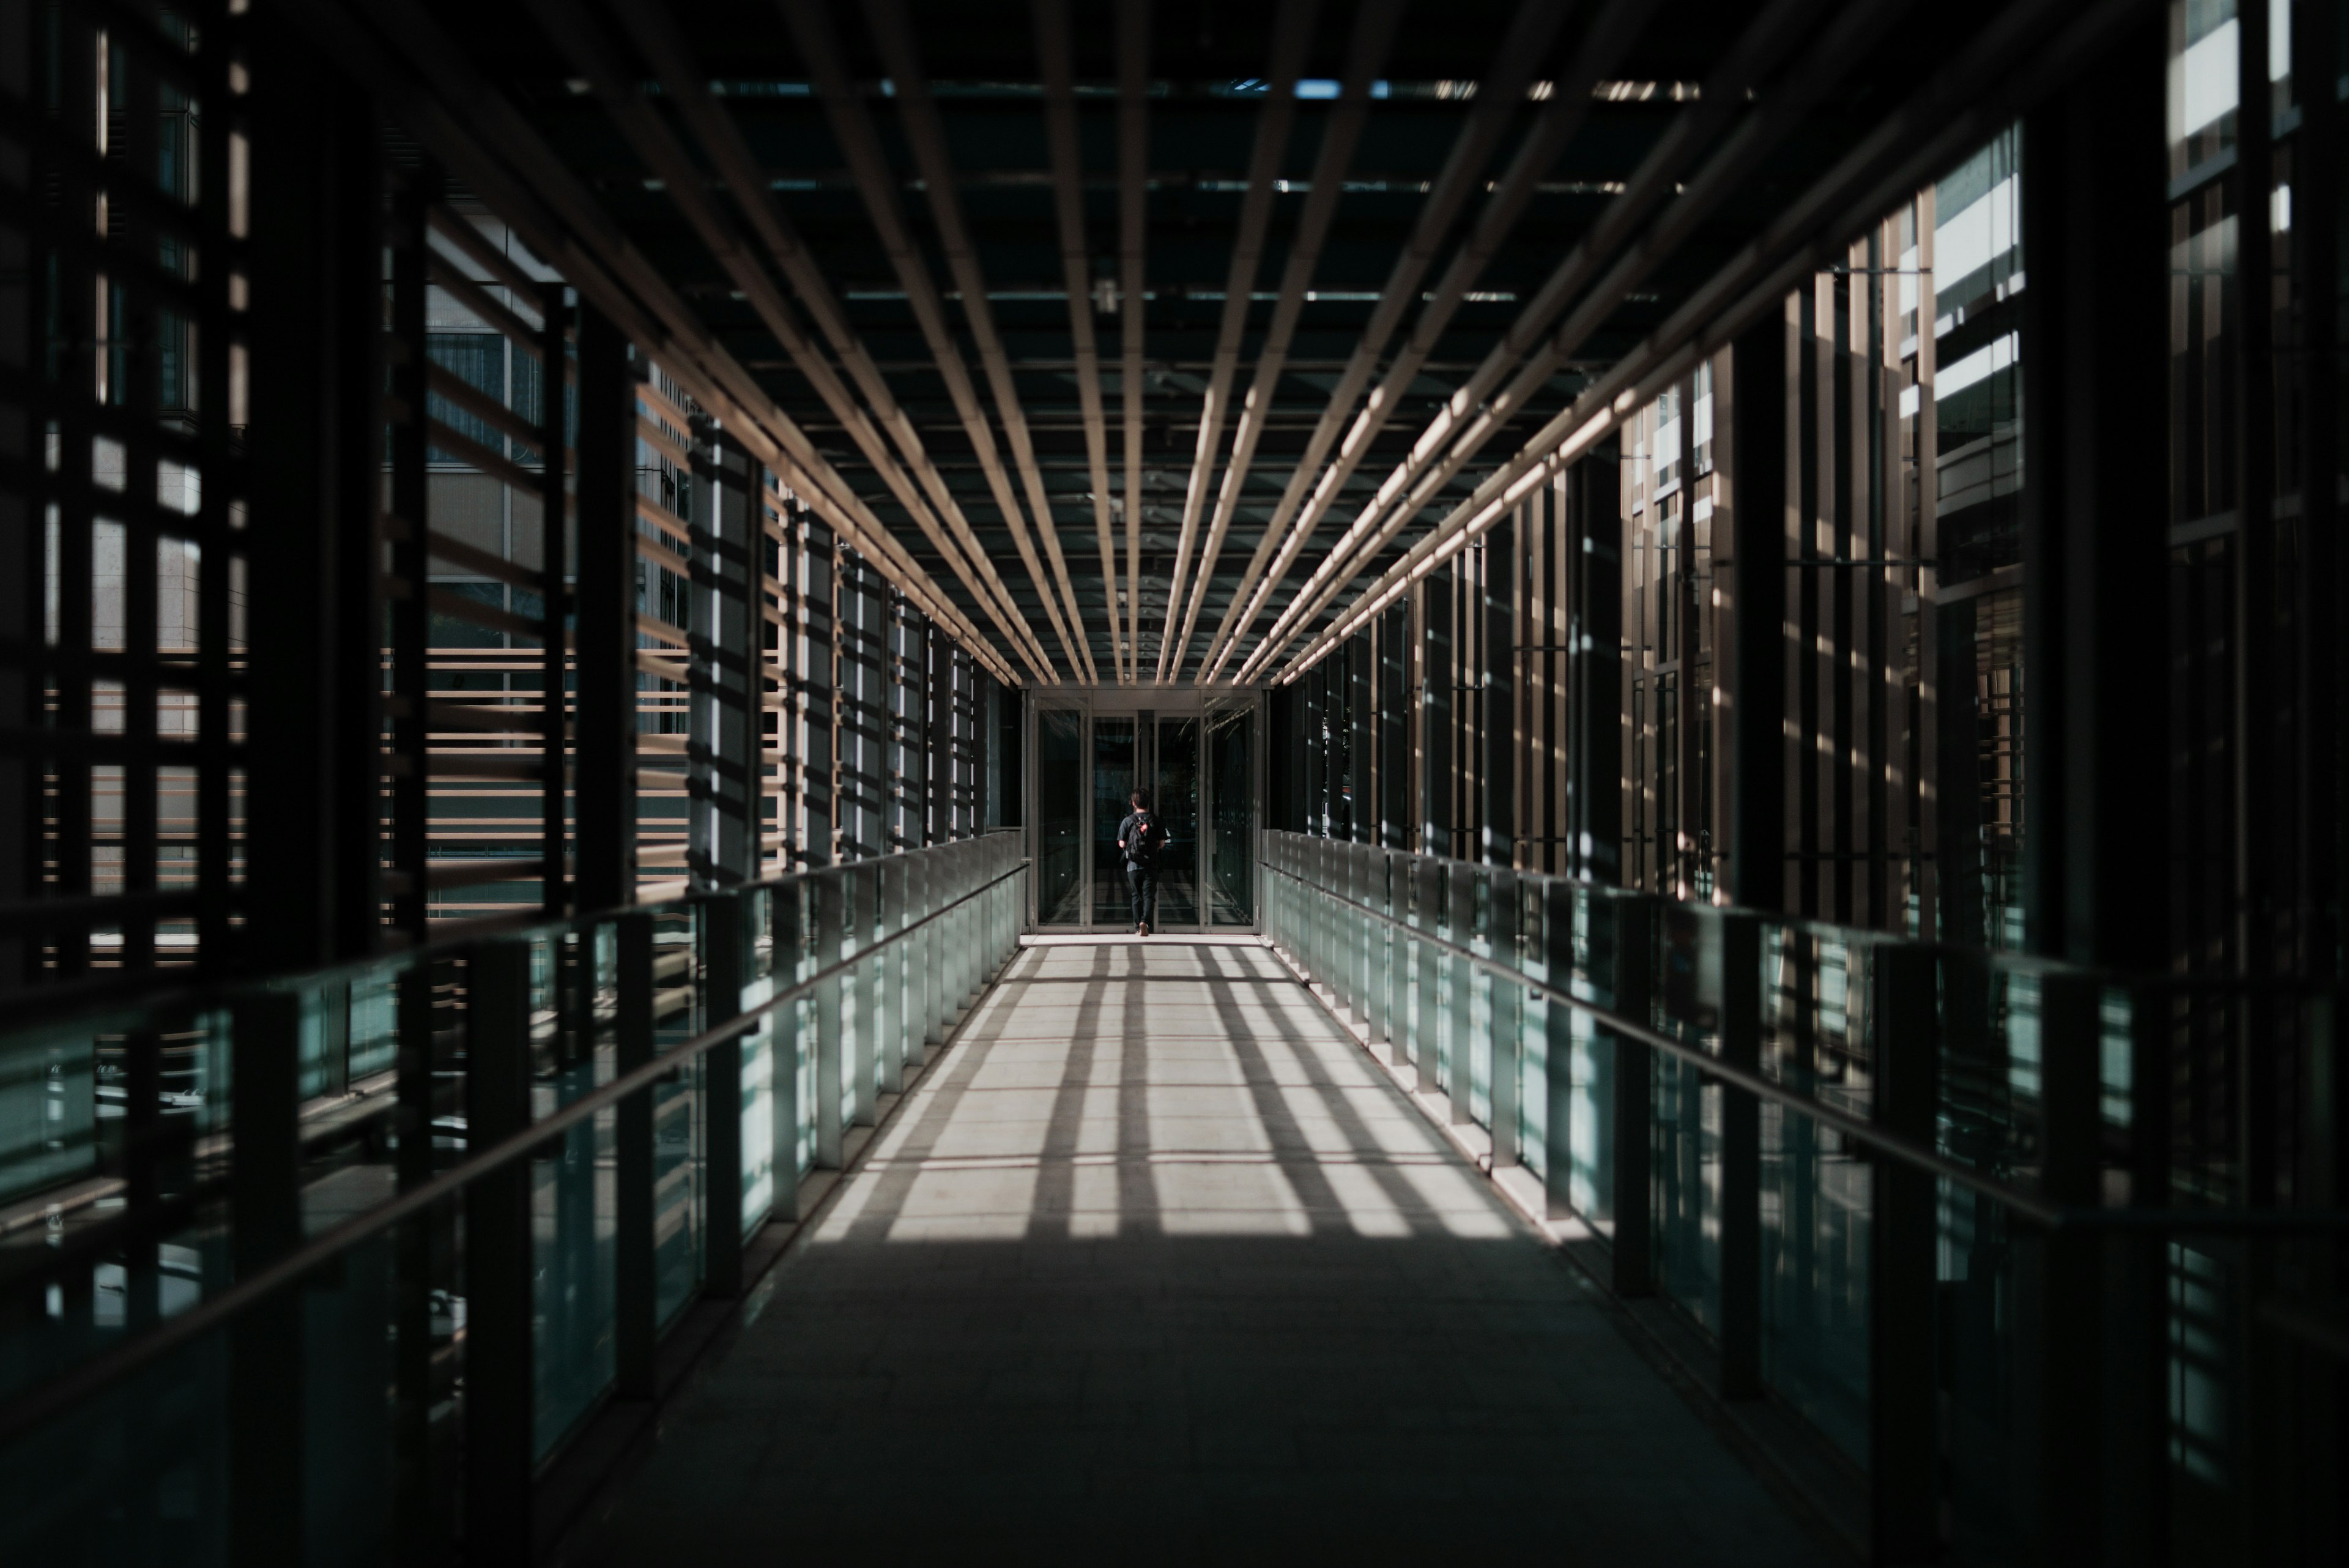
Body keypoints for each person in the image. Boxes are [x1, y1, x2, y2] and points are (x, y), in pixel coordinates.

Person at [1115, 789, 1165, 936]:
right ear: (1148, 803)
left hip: (1133, 866)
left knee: (1136, 896)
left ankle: (1138, 927)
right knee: (1149, 895)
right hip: (1151, 865)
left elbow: (1122, 844)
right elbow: (1162, 843)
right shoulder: (1155, 820)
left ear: (1133, 803)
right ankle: (1146, 922)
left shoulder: (1128, 821)